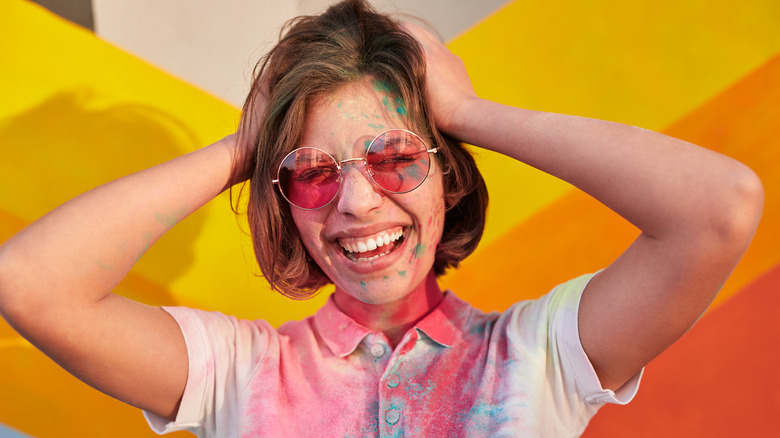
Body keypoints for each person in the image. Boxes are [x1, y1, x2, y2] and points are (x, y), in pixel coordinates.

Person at [0, 0, 763, 436]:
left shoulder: (538, 355)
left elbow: (719, 208)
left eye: (396, 158)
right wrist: (246, 144)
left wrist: (467, 112)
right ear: (283, 204)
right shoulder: (235, 369)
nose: (356, 202)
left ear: (448, 178)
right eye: (312, 172)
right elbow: (27, 282)